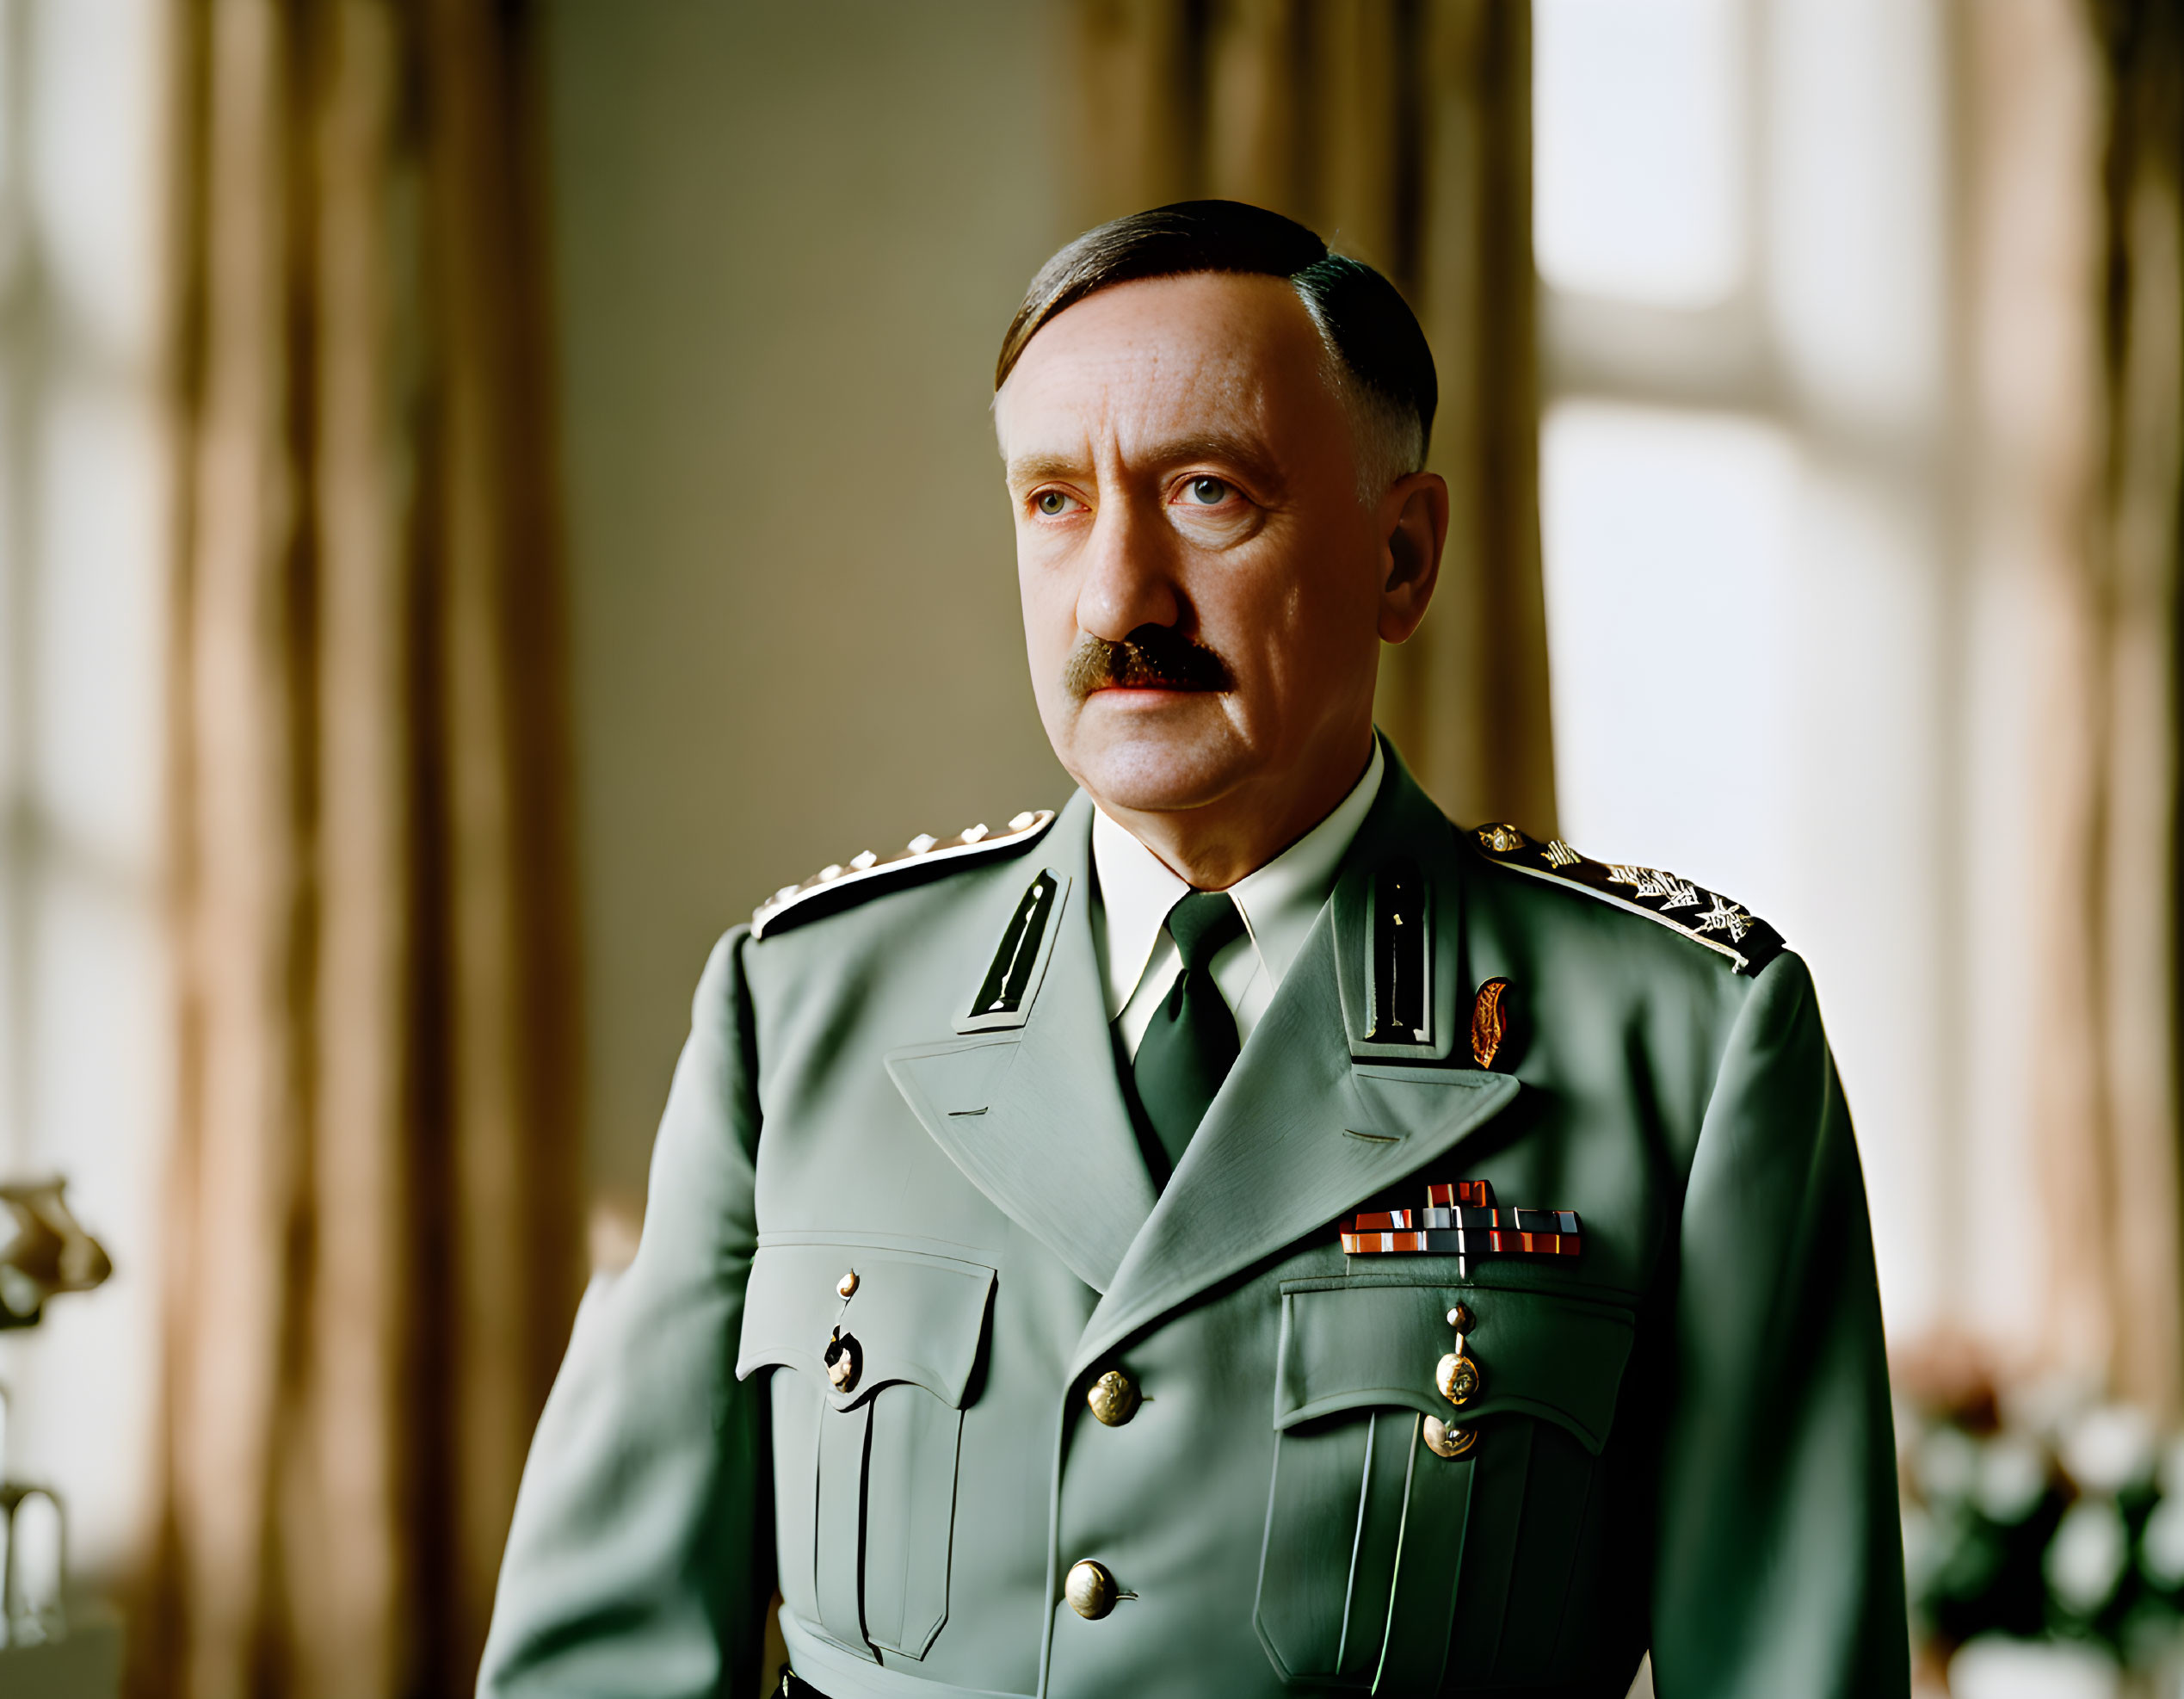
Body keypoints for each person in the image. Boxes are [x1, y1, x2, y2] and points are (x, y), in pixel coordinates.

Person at [477, 201, 1908, 1699]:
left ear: (1401, 557)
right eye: (1053, 502)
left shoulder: (1679, 1040)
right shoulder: (803, 1005)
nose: (1115, 598)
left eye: (1208, 494)